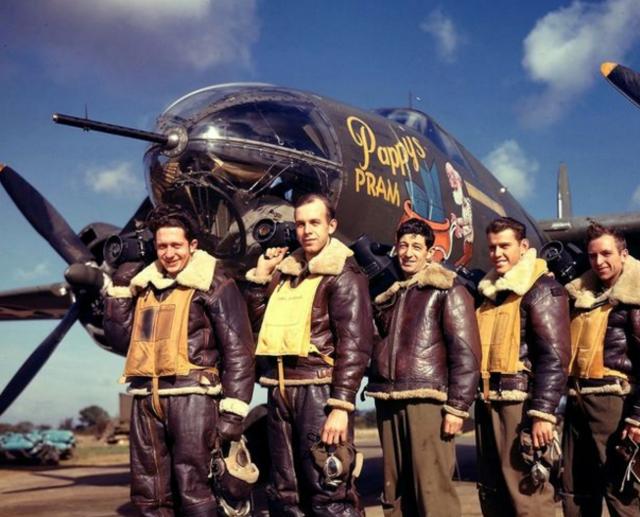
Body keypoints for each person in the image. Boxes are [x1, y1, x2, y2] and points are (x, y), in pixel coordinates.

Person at [103, 204, 255, 517]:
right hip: (146, 399)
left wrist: (233, 413)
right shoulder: (144, 287)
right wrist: (120, 288)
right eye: (162, 246)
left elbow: (239, 350)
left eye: (176, 245)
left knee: (195, 491)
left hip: (193, 398)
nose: (169, 253)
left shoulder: (215, 283)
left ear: (192, 245)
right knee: (149, 494)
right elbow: (121, 340)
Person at [244, 193, 373, 516]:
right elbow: (260, 326)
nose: (307, 231)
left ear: (332, 225)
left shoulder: (344, 274)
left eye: (315, 222)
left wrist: (341, 406)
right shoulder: (286, 274)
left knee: (329, 491)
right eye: (300, 224)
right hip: (280, 390)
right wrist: (261, 278)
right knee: (285, 494)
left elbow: (355, 344)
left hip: (319, 392)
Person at [365, 218, 481, 516]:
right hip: (388, 400)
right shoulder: (389, 296)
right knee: (394, 494)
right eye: (403, 246)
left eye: (417, 247)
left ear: (430, 253)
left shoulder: (448, 290)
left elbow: (466, 353)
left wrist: (458, 407)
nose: (408, 253)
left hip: (427, 402)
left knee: (432, 492)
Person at [474, 216, 571, 516]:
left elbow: (554, 357)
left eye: (505, 246)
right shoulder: (489, 295)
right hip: (488, 402)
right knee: (494, 496)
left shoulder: (542, 289)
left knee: (529, 497)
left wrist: (543, 414)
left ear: (524, 246)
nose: (497, 253)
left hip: (521, 406)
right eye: (492, 247)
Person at [561, 222, 640, 516]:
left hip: (614, 403)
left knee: (622, 493)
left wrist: (637, 417)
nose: (599, 261)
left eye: (606, 254)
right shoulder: (582, 296)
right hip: (577, 400)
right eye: (593, 255)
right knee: (575, 491)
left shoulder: (635, 297)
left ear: (624, 254)